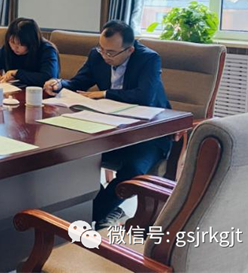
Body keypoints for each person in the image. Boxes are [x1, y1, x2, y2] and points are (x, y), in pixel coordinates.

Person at [44, 20, 172, 228]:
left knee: (132, 171)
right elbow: (78, 82)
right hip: (109, 130)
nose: (104, 56)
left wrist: (104, 94)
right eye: (101, 49)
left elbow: (145, 96)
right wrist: (59, 84)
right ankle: (100, 211)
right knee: (71, 155)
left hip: (148, 134)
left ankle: (89, 215)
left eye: (110, 52)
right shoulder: (97, 55)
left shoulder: (148, 59)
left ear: (130, 50)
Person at [0, 18, 59, 87]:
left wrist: (17, 73)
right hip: (14, 94)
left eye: (20, 44)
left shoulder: (47, 50)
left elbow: (48, 78)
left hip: (41, 96)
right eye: (12, 42)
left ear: (31, 43)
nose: (14, 48)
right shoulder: (7, 48)